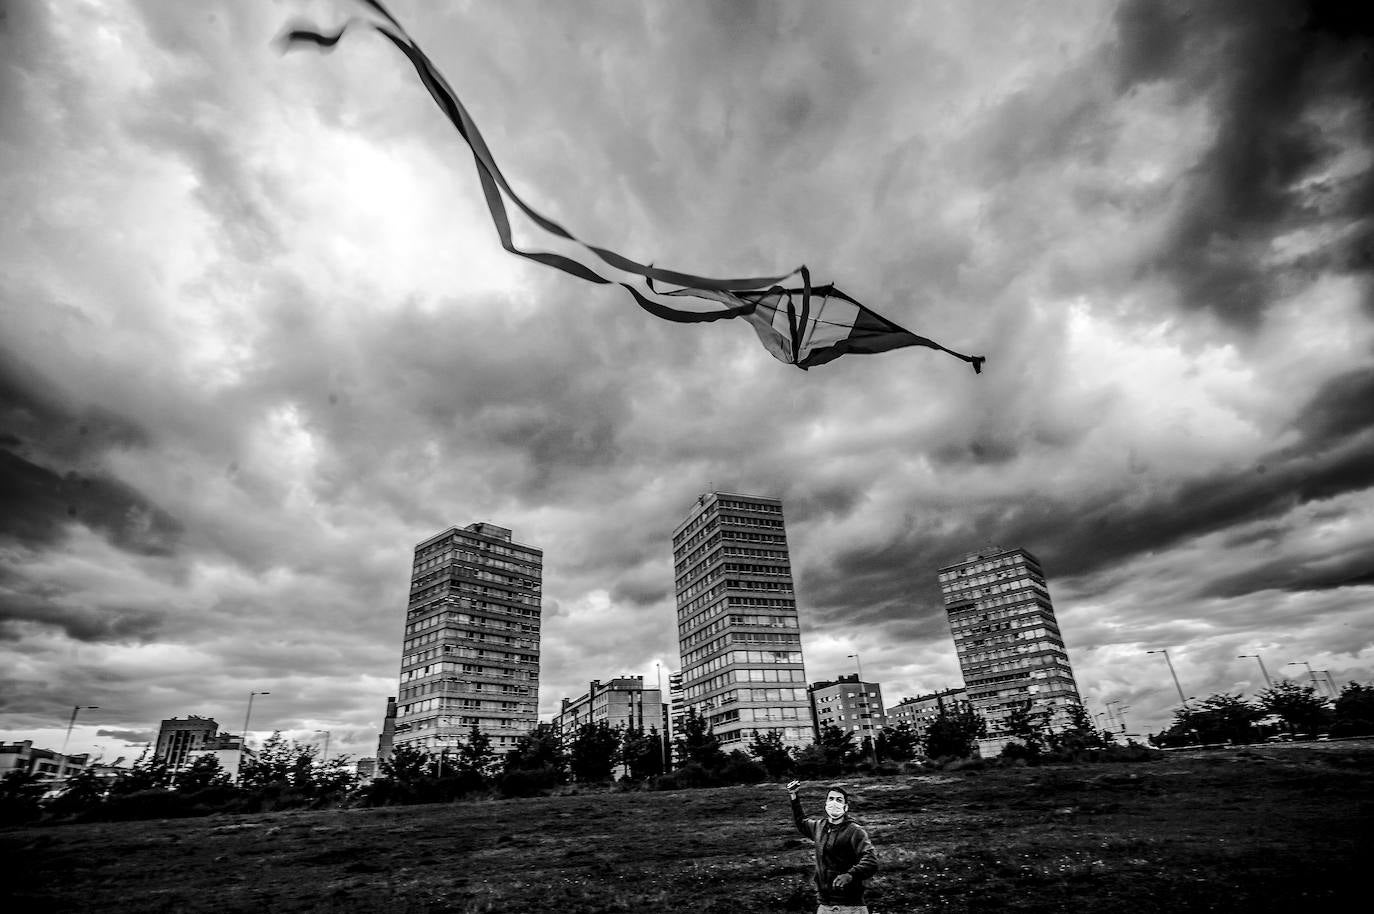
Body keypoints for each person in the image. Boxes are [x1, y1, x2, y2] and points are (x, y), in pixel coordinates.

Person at [787, 779, 879, 914]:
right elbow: (801, 822)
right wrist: (794, 796)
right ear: (826, 804)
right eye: (831, 799)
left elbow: (871, 861)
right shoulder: (819, 827)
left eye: (839, 800)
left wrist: (850, 875)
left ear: (846, 807)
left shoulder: (855, 831)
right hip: (825, 905)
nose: (834, 803)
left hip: (850, 906)